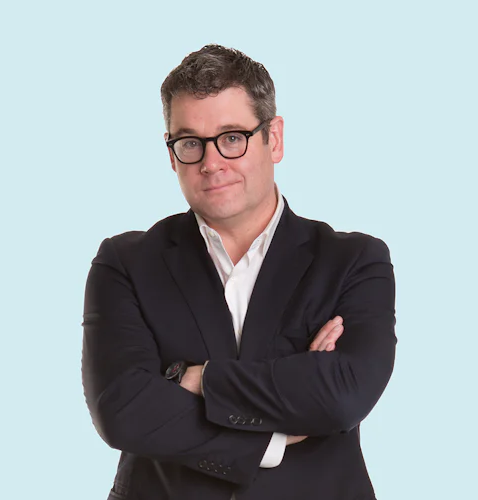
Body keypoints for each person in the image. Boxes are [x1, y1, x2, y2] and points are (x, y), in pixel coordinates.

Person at [82, 44, 397, 500]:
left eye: (232, 138)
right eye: (190, 143)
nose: (211, 163)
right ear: (171, 153)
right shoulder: (125, 262)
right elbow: (123, 411)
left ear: (274, 138)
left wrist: (198, 380)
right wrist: (275, 430)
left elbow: (342, 396)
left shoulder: (354, 260)